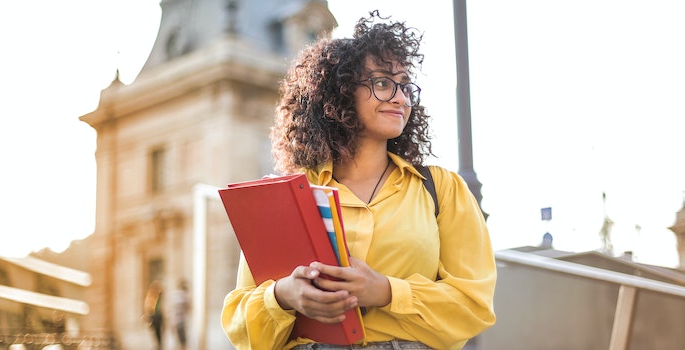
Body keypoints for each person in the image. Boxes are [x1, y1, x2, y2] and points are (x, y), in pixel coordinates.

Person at [221, 11, 496, 350]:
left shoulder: (442, 189)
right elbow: (240, 326)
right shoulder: (289, 196)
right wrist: (284, 296)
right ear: (341, 93)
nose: (400, 97)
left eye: (405, 86)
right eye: (382, 83)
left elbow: (474, 305)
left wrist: (386, 291)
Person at [169, 279, 191, 349]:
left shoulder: (174, 295)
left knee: (176, 341)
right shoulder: (183, 296)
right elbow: (188, 307)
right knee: (183, 342)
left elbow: (171, 309)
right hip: (181, 322)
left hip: (174, 321)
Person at [144, 280, 164, 350]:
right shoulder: (151, 297)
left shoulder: (157, 296)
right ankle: (158, 346)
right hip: (155, 317)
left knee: (158, 333)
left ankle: (159, 346)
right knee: (156, 333)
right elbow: (149, 308)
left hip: (157, 316)